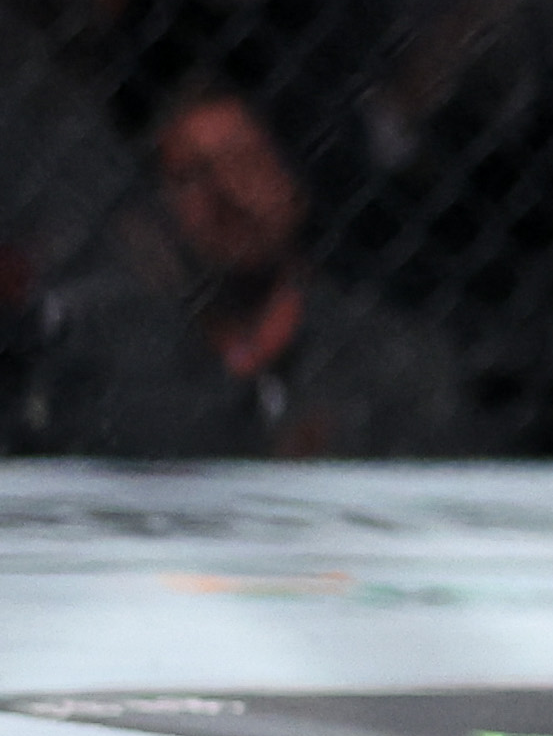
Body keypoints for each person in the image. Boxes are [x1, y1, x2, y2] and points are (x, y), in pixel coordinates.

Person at [18, 87, 467, 460]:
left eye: (245, 163)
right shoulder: (103, 369)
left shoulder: (392, 361)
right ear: (151, 219)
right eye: (191, 176)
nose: (228, 195)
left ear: (292, 189)